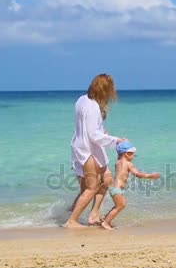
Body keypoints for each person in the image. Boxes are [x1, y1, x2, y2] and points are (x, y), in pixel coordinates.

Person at [64, 74, 126, 228]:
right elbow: (93, 135)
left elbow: (88, 127)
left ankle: (93, 214)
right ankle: (71, 221)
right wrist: (116, 140)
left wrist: (102, 130)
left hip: (80, 145)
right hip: (87, 149)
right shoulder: (93, 107)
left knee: (106, 180)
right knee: (91, 188)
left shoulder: (82, 99)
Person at [101, 141, 160, 230]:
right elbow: (137, 174)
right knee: (120, 205)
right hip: (117, 189)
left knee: (119, 205)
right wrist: (150, 176)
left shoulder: (118, 162)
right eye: (132, 154)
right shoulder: (129, 164)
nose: (133, 157)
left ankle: (106, 218)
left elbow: (121, 167)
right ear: (126, 154)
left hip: (114, 188)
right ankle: (105, 223)